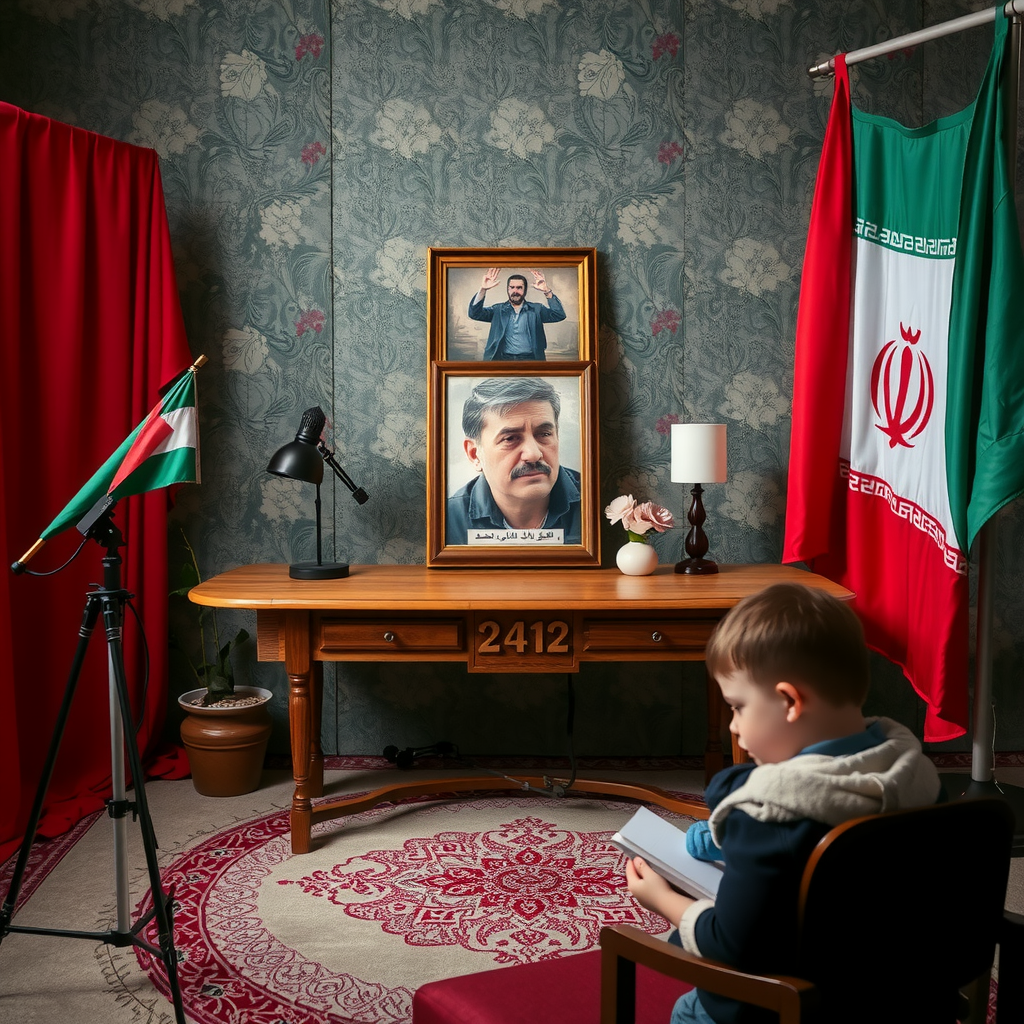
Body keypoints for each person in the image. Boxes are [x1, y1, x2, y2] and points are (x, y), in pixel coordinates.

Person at [625, 583, 942, 1024]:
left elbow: (731, 944)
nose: (733, 727)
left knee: (690, 1010)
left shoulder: (768, 818)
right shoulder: (912, 773)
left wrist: (661, 899)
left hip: (787, 1003)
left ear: (790, 701)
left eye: (736, 707)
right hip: (895, 995)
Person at [446, 376, 582, 544]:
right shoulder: (448, 521)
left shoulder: (597, 506)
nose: (533, 454)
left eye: (544, 434)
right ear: (474, 454)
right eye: (510, 439)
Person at [467, 268, 566, 360]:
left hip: (531, 360)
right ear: (508, 289)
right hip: (501, 360)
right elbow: (474, 314)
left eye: (519, 288)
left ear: (525, 290)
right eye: (512, 287)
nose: (515, 291)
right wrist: (483, 290)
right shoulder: (498, 310)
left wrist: (546, 291)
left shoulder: (537, 309)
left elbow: (559, 314)